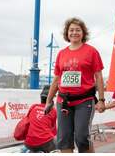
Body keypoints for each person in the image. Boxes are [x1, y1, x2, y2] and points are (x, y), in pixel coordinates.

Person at [44, 17, 106, 153]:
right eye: (71, 30)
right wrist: (49, 101)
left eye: (78, 30)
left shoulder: (92, 52)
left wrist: (101, 100)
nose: (74, 33)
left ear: (83, 33)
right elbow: (56, 79)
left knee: (82, 137)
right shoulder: (61, 54)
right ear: (67, 33)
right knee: (64, 139)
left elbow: (99, 76)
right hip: (63, 101)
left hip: (84, 101)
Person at [24, 85, 57, 153]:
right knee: (60, 143)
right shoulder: (53, 111)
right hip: (45, 143)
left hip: (28, 143)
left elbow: (26, 122)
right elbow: (53, 131)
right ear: (51, 98)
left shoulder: (33, 107)